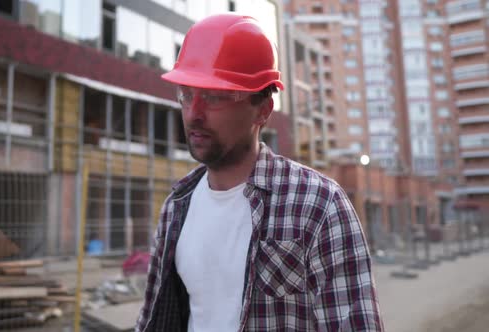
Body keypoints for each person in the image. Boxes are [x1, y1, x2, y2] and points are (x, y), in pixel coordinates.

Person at [136, 13, 383, 332]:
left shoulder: (319, 206)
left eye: (214, 97)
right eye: (186, 94)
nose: (194, 114)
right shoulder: (176, 207)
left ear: (263, 109)